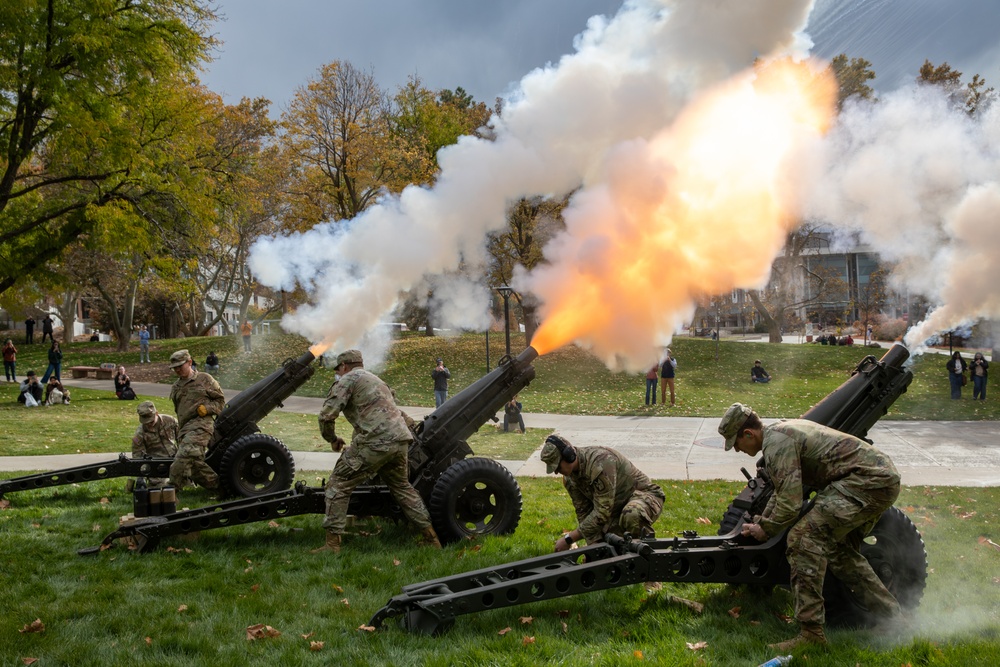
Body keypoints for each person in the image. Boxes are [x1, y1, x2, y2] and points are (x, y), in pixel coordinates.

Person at [718, 403, 903, 651]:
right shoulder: (780, 433)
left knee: (803, 540)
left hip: (866, 481)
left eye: (737, 443)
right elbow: (783, 492)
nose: (738, 449)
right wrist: (761, 524)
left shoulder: (777, 444)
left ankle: (811, 634)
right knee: (839, 551)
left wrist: (767, 529)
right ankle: (892, 619)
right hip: (878, 479)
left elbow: (790, 504)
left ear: (749, 434)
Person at [314, 349, 440, 554]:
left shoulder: (347, 380)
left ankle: (332, 545)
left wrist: (332, 439)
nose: (338, 373)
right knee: (402, 487)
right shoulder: (377, 381)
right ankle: (432, 539)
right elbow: (397, 413)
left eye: (338, 369)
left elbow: (326, 416)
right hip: (400, 441)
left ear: (344, 366)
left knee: (338, 484)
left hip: (376, 442)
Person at [541, 434, 665, 552]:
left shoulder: (601, 462)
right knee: (607, 548)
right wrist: (593, 547)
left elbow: (602, 513)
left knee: (632, 515)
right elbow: (583, 512)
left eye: (558, 467)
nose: (556, 472)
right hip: (615, 509)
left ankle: (647, 554)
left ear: (569, 455)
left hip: (644, 497)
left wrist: (569, 539)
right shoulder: (570, 479)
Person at [167, 349, 223, 492]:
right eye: (175, 368)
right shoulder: (176, 386)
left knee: (183, 456)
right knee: (194, 465)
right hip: (185, 429)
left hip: (201, 425)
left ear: (190, 362)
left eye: (180, 366)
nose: (177, 370)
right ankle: (221, 487)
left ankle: (170, 492)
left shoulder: (205, 379)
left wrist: (208, 408)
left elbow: (220, 401)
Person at [132, 401, 179, 487]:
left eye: (151, 421)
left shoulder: (170, 421)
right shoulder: (140, 434)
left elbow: (182, 438)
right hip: (157, 466)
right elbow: (137, 457)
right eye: (146, 422)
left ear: (156, 414)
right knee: (164, 486)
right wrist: (141, 477)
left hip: (175, 460)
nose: (149, 425)